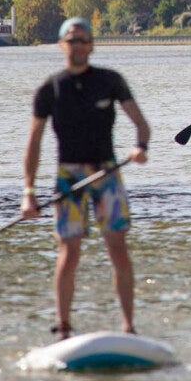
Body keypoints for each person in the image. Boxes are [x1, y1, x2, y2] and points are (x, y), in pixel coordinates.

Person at [20, 18, 151, 340]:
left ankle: (128, 328)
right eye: (71, 40)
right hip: (69, 178)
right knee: (69, 253)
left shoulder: (110, 81)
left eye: (82, 40)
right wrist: (28, 192)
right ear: (61, 45)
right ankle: (63, 327)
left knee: (118, 248)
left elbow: (141, 125)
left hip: (107, 173)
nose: (77, 46)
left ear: (91, 46)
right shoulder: (49, 89)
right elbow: (34, 142)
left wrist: (140, 148)